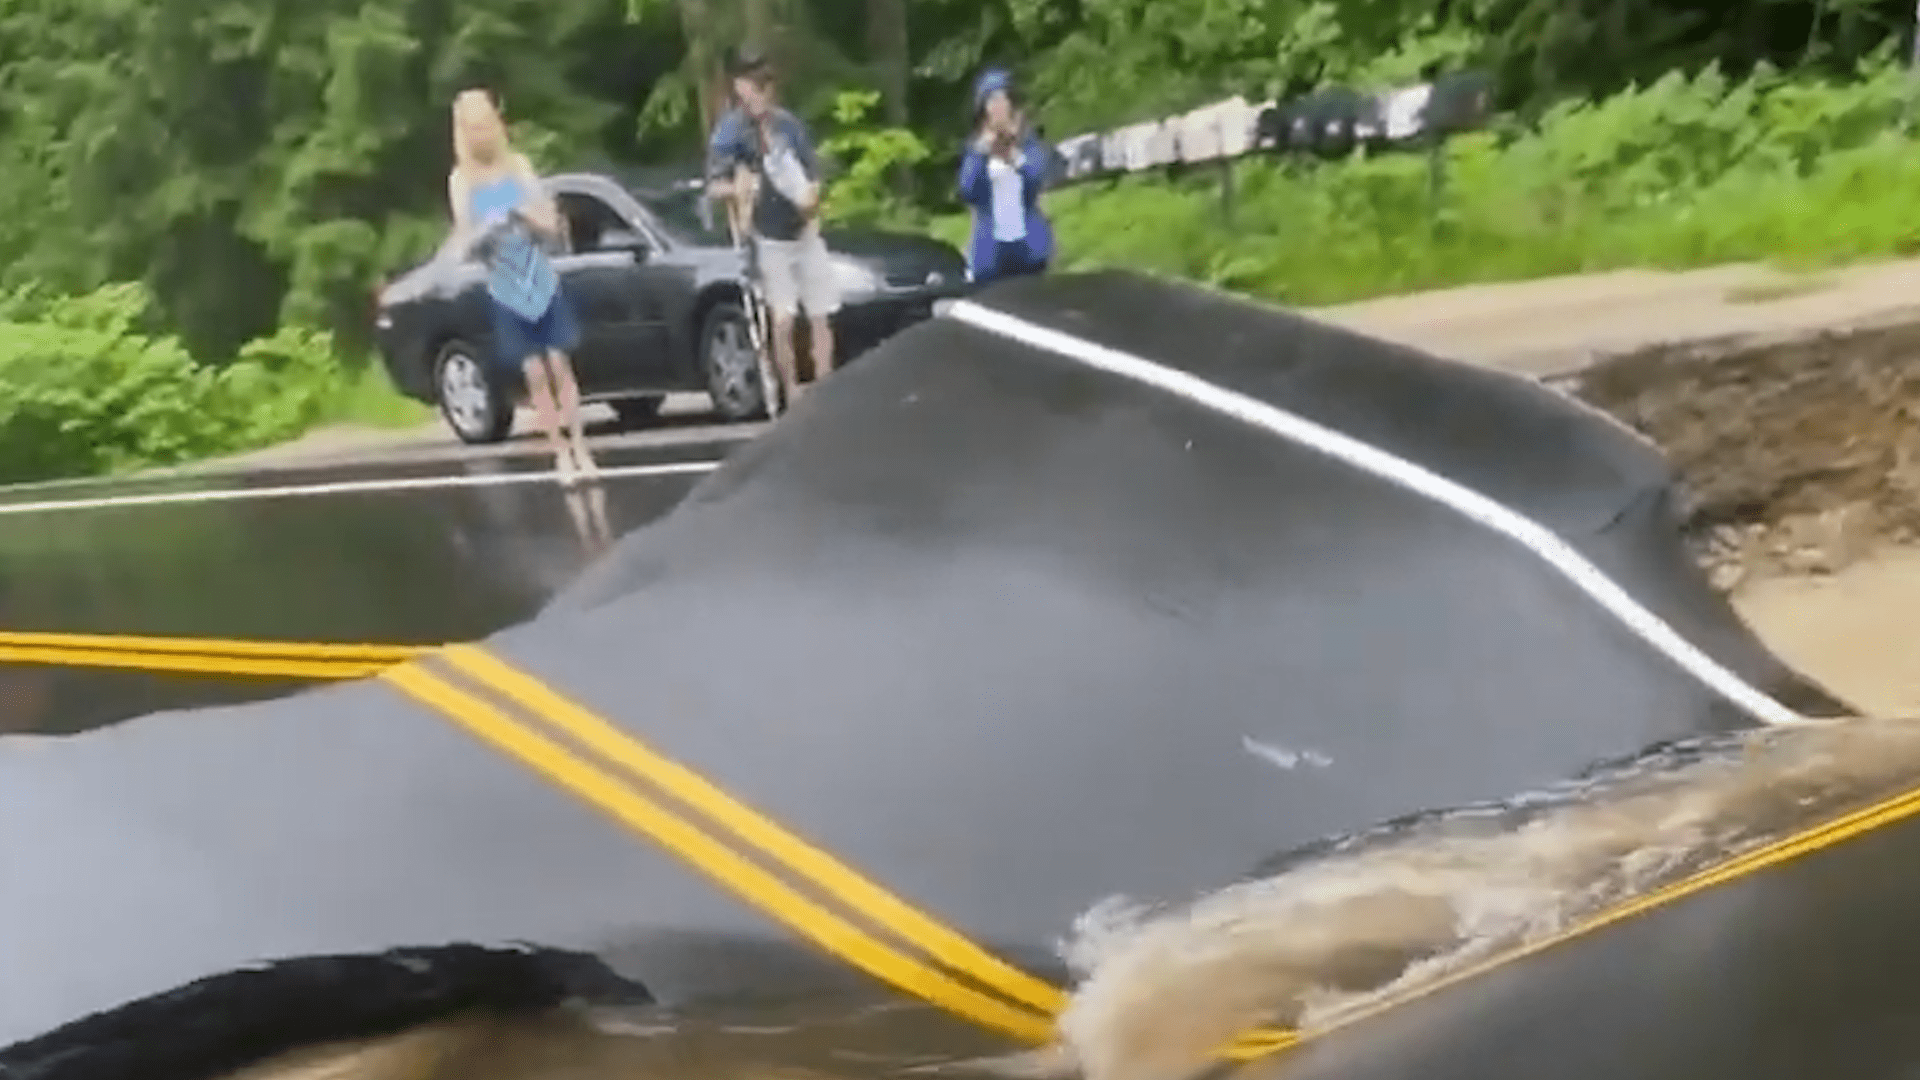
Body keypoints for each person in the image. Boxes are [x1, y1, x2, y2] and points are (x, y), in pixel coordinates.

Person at [446, 86, 596, 483]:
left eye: (485, 125)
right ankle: (559, 453)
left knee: (560, 363)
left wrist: (524, 212)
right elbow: (463, 238)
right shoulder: (462, 181)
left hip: (539, 275)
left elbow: (548, 222)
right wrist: (481, 227)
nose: (480, 135)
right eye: (471, 128)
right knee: (533, 373)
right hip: (504, 285)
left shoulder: (518, 166)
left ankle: (580, 445)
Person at [706, 47, 841, 403]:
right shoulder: (730, 133)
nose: (761, 93)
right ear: (739, 88)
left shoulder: (788, 125)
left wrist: (812, 195)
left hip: (803, 229)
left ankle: (824, 387)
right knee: (782, 319)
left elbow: (813, 173)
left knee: (820, 312)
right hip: (768, 237)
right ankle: (792, 388)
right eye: (753, 85)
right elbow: (713, 185)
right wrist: (737, 188)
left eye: (765, 85)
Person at [958, 68, 1055, 285]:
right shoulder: (976, 148)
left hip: (1028, 248)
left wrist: (1013, 156)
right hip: (991, 253)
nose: (998, 108)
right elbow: (968, 190)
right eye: (992, 101)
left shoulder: (1027, 143)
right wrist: (982, 150)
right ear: (983, 110)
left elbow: (1036, 179)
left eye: (1003, 100)